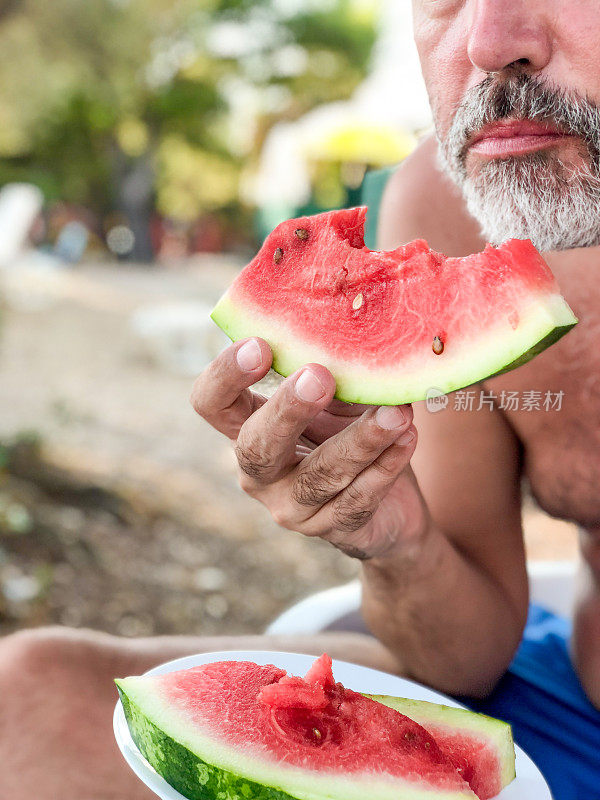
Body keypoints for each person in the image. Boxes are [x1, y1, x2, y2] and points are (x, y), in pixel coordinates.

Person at [2, 2, 600, 798]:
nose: (489, 43)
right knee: (28, 698)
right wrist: (397, 541)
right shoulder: (446, 201)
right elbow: (471, 654)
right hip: (559, 700)